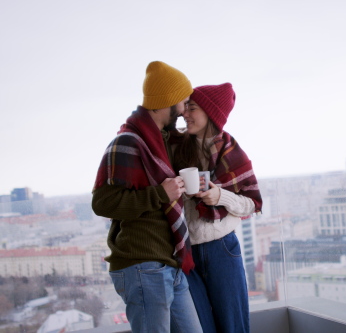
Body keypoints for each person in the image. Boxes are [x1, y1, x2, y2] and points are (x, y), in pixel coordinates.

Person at [92, 61, 203, 333]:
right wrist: (159, 194)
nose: (184, 108)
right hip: (144, 266)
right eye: (182, 101)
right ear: (167, 100)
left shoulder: (161, 142)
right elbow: (102, 203)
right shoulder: (128, 142)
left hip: (170, 264)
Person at [171, 83, 262, 333]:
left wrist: (220, 196)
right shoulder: (175, 146)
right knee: (199, 327)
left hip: (222, 249)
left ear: (210, 114)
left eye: (192, 107)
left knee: (233, 327)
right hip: (184, 252)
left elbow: (251, 203)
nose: (185, 113)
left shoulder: (230, 151)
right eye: (185, 107)